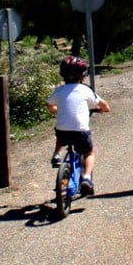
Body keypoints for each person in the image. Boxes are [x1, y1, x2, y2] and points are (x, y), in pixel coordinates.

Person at [46, 56, 110, 196]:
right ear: (83, 75)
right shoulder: (85, 90)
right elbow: (103, 105)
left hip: (63, 130)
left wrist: (56, 110)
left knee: (61, 134)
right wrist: (104, 109)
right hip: (80, 130)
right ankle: (86, 178)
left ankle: (57, 155)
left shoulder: (59, 90)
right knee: (89, 153)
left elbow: (49, 104)